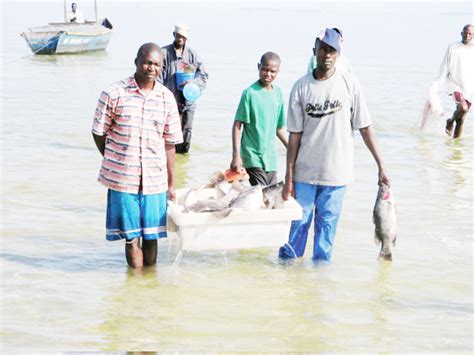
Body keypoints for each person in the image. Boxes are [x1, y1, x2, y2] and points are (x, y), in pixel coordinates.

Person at [279, 28, 391, 262]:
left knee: (325, 235)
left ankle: (319, 286)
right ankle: (286, 284)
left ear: (338, 54)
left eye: (332, 50)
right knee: (296, 230)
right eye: (323, 49)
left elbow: (365, 126)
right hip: (304, 175)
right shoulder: (300, 87)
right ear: (315, 51)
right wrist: (289, 176)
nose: (327, 55)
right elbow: (294, 136)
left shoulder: (349, 84)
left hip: (337, 175)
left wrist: (381, 164)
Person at [92, 43, 183, 268]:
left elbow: (170, 144)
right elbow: (98, 131)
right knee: (132, 238)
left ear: (162, 67)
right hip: (124, 180)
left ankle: (148, 290)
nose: (150, 68)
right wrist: (113, 157)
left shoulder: (166, 98)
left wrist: (171, 184)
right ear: (136, 61)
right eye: (146, 62)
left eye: (156, 64)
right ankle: (136, 285)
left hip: (155, 180)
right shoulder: (114, 93)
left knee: (152, 237)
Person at [230, 52, 288, 186]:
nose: (268, 74)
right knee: (262, 193)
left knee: (271, 195)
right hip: (252, 156)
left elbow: (278, 128)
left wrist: (292, 148)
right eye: (265, 69)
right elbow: (237, 125)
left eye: (272, 71)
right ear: (259, 67)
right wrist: (236, 155)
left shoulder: (278, 94)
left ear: (278, 72)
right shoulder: (249, 93)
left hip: (270, 158)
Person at [160, 24, 209, 154]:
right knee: (168, 133)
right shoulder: (163, 53)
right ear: (174, 35)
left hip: (188, 101)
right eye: (178, 35)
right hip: (169, 101)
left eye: (183, 36)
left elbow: (203, 76)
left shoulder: (193, 55)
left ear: (187, 38)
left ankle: (182, 161)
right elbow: (156, 79)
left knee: (186, 133)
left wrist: (193, 83)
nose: (180, 38)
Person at [440, 24, 473, 139]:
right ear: (461, 33)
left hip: (469, 88)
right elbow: (445, 64)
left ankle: (455, 149)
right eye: (465, 32)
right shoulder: (453, 47)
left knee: (462, 119)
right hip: (455, 84)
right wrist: (439, 81)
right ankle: (450, 121)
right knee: (463, 108)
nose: (467, 35)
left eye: (470, 33)